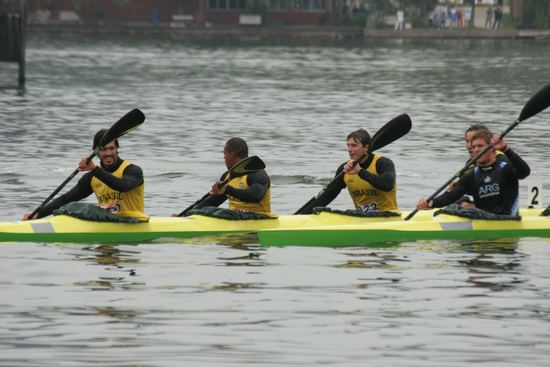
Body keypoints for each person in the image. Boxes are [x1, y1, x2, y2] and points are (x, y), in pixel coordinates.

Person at [23, 129, 149, 221]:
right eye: (104, 149)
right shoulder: (92, 177)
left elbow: (122, 186)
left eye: (112, 148)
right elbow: (66, 199)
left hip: (135, 222)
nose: (108, 153)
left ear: (117, 149)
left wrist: (94, 169)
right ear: (95, 151)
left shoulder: (133, 170)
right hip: (108, 222)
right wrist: (39, 214)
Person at [416, 129, 530, 216]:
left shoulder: (505, 168)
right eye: (473, 147)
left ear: (492, 148)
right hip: (483, 219)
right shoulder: (472, 175)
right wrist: (430, 203)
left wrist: (506, 149)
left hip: (507, 219)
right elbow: (450, 196)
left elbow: (524, 172)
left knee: (464, 210)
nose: (475, 150)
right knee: (451, 208)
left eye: (480, 146)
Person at [299, 128, 398, 214]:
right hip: (362, 217)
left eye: (354, 145)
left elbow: (387, 185)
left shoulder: (383, 163)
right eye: (348, 145)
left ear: (366, 147)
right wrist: (301, 216)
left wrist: (360, 172)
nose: (349, 149)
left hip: (388, 216)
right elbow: (327, 196)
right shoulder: (345, 169)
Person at [194, 137, 272, 216]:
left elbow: (256, 195)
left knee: (220, 212)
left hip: (259, 217)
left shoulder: (257, 174)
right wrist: (189, 215)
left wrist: (228, 190)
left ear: (232, 155)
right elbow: (212, 202)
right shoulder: (227, 177)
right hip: (233, 216)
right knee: (206, 210)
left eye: (225, 156)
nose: (224, 159)